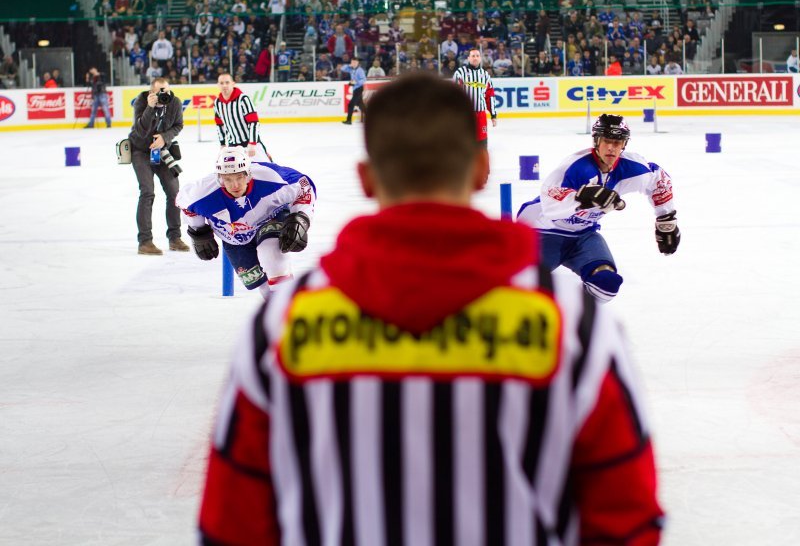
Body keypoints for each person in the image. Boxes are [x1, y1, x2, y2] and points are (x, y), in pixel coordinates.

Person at [196, 75, 665, 544]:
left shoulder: (283, 324)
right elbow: (626, 515)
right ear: (482, 170)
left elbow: (232, 523)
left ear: (366, 178)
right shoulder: (571, 323)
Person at [517, 114, 680, 302]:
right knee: (517, 290)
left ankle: (575, 312)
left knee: (606, 285)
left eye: (617, 142)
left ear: (624, 144)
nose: (611, 147)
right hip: (542, 233)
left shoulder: (631, 168)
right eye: (606, 141)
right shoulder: (576, 166)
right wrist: (581, 198)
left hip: (584, 236)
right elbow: (549, 202)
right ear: (596, 141)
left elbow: (658, 179)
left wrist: (666, 219)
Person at [176, 146, 315, 298]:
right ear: (219, 177)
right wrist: (199, 231)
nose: (235, 185)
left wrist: (300, 218)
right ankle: (276, 312)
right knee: (259, 282)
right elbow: (183, 202)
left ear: (248, 174)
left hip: (269, 220)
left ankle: (288, 311)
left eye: (239, 177)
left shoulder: (271, 177)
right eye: (228, 179)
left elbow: (304, 185)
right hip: (234, 238)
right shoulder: (201, 193)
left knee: (272, 256)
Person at [128, 77, 188, 255]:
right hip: (140, 150)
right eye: (160, 91)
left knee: (174, 192)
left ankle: (175, 238)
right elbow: (140, 130)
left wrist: (164, 137)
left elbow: (178, 125)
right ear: (152, 92)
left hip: (162, 151)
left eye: (167, 91)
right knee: (147, 192)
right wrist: (150, 107)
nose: (165, 94)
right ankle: (145, 242)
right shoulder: (141, 101)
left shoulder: (175, 102)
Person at [214, 73, 273, 162]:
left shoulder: (243, 99)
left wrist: (252, 143)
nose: (224, 85)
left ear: (233, 83)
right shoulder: (217, 102)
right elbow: (219, 124)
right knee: (235, 173)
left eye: (227, 82)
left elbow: (254, 122)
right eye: (221, 83)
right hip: (233, 146)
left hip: (251, 144)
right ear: (218, 85)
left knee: (266, 170)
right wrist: (222, 144)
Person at [453, 47, 497, 147]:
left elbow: (490, 96)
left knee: (482, 144)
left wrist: (493, 115)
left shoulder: (485, 75)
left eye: (477, 56)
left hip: (481, 114)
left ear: (480, 58)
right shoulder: (460, 73)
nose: (475, 58)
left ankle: (482, 162)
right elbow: (454, 95)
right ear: (468, 58)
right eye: (473, 56)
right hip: (466, 115)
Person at [341, 56, 366, 125]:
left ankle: (349, 120)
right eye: (352, 62)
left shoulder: (360, 70)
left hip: (359, 88)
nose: (353, 63)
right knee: (360, 105)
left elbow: (363, 79)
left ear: (358, 63)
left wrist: (356, 82)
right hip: (355, 89)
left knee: (351, 105)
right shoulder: (351, 69)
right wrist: (349, 65)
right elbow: (342, 68)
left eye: (355, 62)